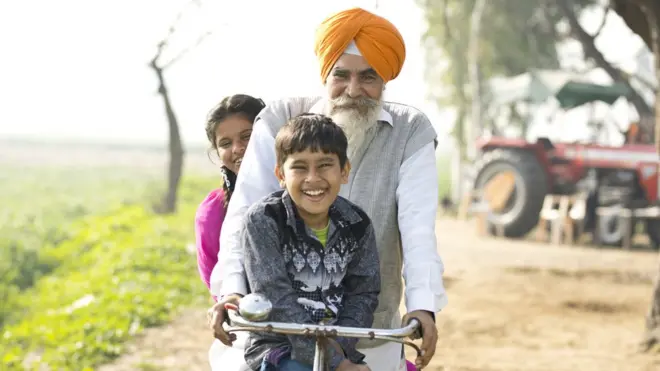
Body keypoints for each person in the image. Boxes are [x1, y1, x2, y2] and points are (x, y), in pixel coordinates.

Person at [208, 7, 448, 371]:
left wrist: (422, 305)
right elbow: (244, 214)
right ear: (325, 73)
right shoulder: (279, 118)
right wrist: (231, 293)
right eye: (342, 75)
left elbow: (417, 228)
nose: (353, 90)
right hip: (275, 333)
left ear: (386, 79)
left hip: (369, 330)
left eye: (368, 77)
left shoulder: (410, 130)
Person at [241, 113, 380, 371]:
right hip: (279, 347)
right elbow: (276, 300)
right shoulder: (265, 220)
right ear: (280, 174)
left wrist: (340, 349)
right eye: (300, 167)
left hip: (338, 346)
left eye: (325, 165)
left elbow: (364, 292)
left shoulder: (357, 223)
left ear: (344, 170)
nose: (313, 178)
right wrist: (336, 364)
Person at [194, 94, 265, 295]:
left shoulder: (303, 194)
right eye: (225, 143)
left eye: (247, 136)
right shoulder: (213, 211)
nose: (238, 149)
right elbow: (217, 285)